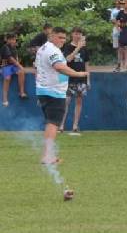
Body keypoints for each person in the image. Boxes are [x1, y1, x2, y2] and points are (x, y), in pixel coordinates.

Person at [35, 27, 89, 164]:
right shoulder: (52, 50)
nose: (63, 41)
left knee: (50, 123)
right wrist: (79, 74)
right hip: (53, 92)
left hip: (45, 90)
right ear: (51, 36)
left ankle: (47, 154)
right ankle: (48, 156)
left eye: (64, 38)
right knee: (53, 124)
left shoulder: (43, 49)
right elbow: (59, 67)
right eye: (60, 37)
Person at [59, 28, 90, 134]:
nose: (78, 36)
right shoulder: (67, 47)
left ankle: (75, 126)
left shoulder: (85, 48)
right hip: (69, 78)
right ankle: (61, 125)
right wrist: (78, 47)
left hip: (81, 79)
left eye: (80, 34)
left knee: (79, 101)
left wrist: (88, 80)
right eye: (76, 34)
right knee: (66, 101)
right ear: (72, 34)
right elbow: (68, 59)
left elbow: (86, 64)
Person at [2, 33, 27, 106]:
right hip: (6, 65)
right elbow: (10, 58)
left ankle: (21, 92)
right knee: (7, 78)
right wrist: (19, 65)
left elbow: (16, 57)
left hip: (13, 66)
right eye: (12, 39)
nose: (14, 41)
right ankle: (5, 98)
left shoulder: (14, 47)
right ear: (8, 40)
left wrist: (18, 63)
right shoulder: (5, 47)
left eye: (14, 39)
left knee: (21, 72)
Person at [110, 0, 124, 71]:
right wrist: (117, 25)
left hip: (124, 30)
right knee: (118, 48)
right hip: (116, 30)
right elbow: (112, 20)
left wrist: (121, 25)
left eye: (118, 2)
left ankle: (125, 66)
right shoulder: (113, 10)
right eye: (116, 2)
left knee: (125, 48)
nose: (117, 3)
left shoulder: (125, 9)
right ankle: (119, 66)